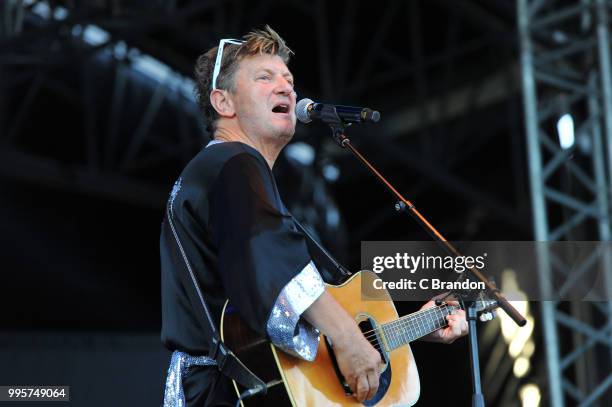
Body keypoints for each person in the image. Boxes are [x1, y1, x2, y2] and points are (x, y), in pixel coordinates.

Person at [160, 25, 468, 407]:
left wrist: (414, 328)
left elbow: (278, 317)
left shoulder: (228, 176)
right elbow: (272, 262)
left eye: (288, 79)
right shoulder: (234, 163)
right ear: (224, 103)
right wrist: (349, 337)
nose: (287, 87)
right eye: (264, 77)